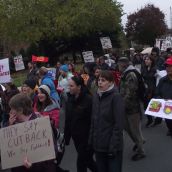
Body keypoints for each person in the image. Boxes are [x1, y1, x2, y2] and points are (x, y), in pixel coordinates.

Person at [9, 93, 56, 172]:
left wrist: (32, 166)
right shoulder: (14, 123)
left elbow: (50, 156)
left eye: (12, 109)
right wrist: (10, 126)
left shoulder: (42, 125)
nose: (10, 111)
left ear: (20, 110)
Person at [89, 70, 124, 172]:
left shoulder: (116, 97)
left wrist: (113, 146)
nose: (99, 82)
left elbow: (118, 124)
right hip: (99, 145)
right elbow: (93, 120)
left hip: (112, 146)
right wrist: (91, 141)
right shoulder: (96, 95)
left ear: (111, 82)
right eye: (99, 80)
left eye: (103, 80)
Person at [64, 76, 97, 172]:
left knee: (81, 164)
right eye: (68, 85)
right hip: (76, 138)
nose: (69, 88)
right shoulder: (70, 99)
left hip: (87, 139)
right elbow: (68, 119)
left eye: (71, 86)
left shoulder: (88, 100)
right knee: (88, 161)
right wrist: (67, 137)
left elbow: (94, 121)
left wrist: (92, 138)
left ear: (79, 87)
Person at [118, 57, 146, 161]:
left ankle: (141, 151)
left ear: (123, 65)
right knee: (127, 127)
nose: (118, 67)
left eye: (119, 65)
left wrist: (122, 104)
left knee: (134, 130)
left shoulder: (130, 74)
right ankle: (139, 142)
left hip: (132, 107)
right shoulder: (126, 73)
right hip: (127, 106)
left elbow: (131, 92)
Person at [155, 56, 172, 136]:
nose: (168, 68)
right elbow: (157, 93)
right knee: (168, 121)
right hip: (167, 108)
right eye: (166, 66)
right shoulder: (162, 80)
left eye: (170, 66)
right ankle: (170, 129)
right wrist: (161, 100)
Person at [141, 55, 156, 127]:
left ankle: (155, 120)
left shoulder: (155, 69)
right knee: (145, 106)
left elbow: (152, 78)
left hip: (152, 90)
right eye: (145, 59)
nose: (146, 61)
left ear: (151, 61)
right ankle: (150, 119)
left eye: (147, 59)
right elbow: (142, 76)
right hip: (145, 90)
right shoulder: (145, 68)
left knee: (153, 106)